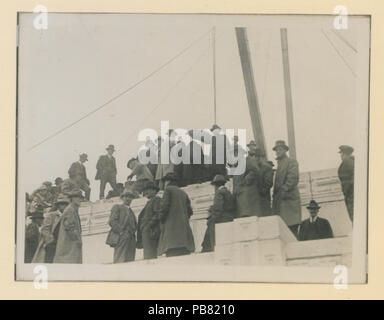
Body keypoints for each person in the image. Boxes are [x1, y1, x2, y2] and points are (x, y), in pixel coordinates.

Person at [157, 173, 195, 257]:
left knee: (172, 257)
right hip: (184, 237)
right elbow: (190, 211)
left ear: (168, 181)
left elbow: (164, 208)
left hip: (171, 235)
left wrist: (161, 219)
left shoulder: (168, 190)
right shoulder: (183, 193)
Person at [272, 140, 302, 238]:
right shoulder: (280, 164)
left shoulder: (291, 162)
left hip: (289, 202)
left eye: (280, 149)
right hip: (280, 203)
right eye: (276, 150)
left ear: (285, 150)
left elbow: (293, 178)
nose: (278, 151)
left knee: (291, 231)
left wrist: (284, 190)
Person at [201, 175, 236, 252]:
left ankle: (208, 249)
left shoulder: (219, 192)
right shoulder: (228, 193)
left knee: (210, 232)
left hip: (221, 219)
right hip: (229, 219)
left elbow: (218, 208)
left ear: (216, 185)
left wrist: (211, 219)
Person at [32, 194, 70, 263]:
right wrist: (50, 240)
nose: (64, 207)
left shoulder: (68, 216)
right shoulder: (51, 215)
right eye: (62, 204)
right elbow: (45, 229)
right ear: (58, 206)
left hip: (64, 244)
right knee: (50, 261)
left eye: (66, 204)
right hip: (53, 244)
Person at [106, 187, 138, 263]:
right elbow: (112, 221)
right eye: (126, 196)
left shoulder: (131, 212)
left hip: (131, 240)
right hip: (121, 238)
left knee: (130, 261)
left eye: (130, 197)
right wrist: (121, 233)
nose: (128, 198)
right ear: (122, 198)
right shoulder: (117, 207)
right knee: (120, 260)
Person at [53, 189, 84, 264]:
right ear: (72, 199)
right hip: (69, 246)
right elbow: (69, 227)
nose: (80, 200)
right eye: (77, 197)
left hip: (70, 245)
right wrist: (77, 240)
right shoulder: (70, 210)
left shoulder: (72, 209)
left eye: (81, 198)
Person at [232, 150, 263, 217]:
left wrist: (247, 180)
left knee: (250, 217)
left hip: (248, 197)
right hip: (240, 199)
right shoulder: (237, 167)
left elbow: (255, 171)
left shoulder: (248, 160)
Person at [136, 181, 161, 259]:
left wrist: (148, 225)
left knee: (151, 255)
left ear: (154, 190)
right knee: (148, 255)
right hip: (147, 233)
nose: (146, 192)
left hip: (152, 232)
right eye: (145, 190)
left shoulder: (157, 200)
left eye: (148, 189)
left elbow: (158, 214)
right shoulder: (149, 202)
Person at [253, 148, 274, 216]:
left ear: (262, 157)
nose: (257, 158)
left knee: (265, 216)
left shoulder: (267, 168)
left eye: (259, 156)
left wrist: (261, 191)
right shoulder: (254, 168)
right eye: (255, 156)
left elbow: (268, 183)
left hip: (264, 198)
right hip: (254, 199)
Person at [337, 145, 354, 223]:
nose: (341, 155)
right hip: (351, 195)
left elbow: (353, 178)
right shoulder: (352, 161)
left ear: (344, 154)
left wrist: (347, 191)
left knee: (354, 217)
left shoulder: (347, 162)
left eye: (341, 153)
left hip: (351, 196)